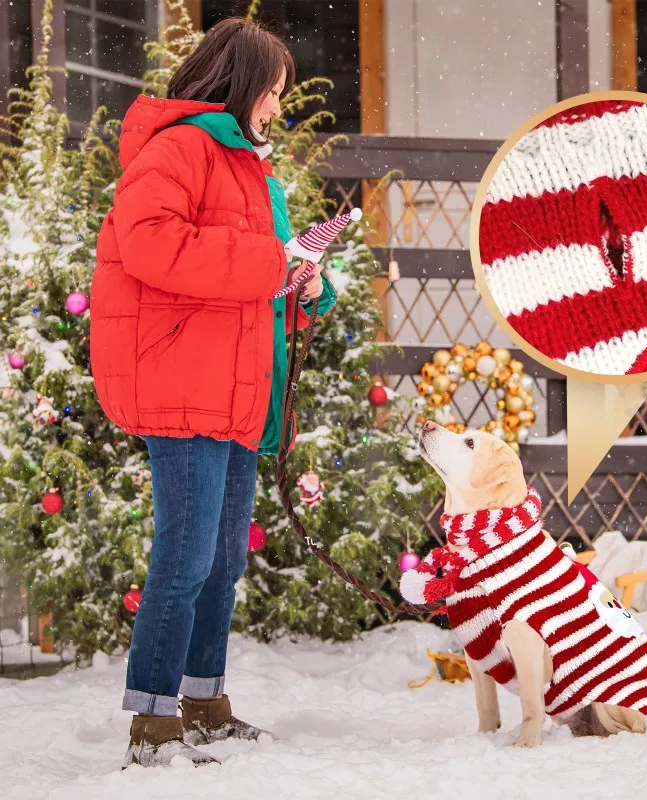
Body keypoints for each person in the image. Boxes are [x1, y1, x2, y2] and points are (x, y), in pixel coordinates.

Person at [90, 17, 336, 768]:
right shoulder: (179, 148)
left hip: (234, 389)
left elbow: (259, 281)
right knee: (185, 557)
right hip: (184, 382)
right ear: (240, 82)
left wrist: (306, 285)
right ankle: (152, 720)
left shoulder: (251, 169)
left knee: (223, 560)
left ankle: (203, 701)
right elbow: (151, 244)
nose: (276, 107)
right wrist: (270, 262)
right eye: (272, 91)